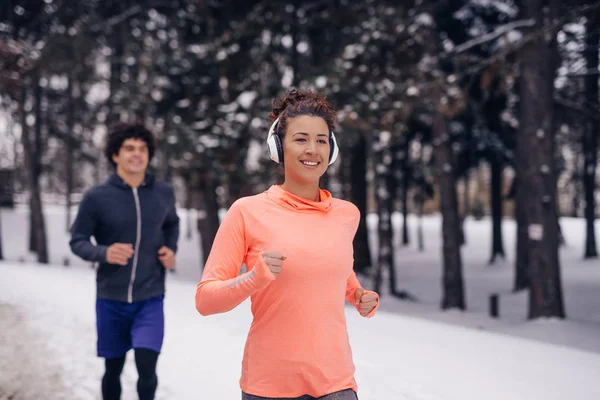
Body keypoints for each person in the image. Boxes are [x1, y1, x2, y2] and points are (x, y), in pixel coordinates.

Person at [195, 88, 379, 400]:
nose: (312, 149)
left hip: (337, 385)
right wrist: (254, 279)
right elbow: (205, 301)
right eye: (301, 139)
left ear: (331, 150)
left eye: (321, 140)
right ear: (278, 147)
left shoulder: (347, 215)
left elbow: (336, 268)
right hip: (269, 387)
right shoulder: (247, 211)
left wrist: (358, 294)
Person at [69, 122, 180, 400]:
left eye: (142, 149)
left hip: (150, 297)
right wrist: (103, 253)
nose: (137, 154)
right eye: (129, 148)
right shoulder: (96, 197)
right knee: (113, 369)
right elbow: (77, 240)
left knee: (147, 368)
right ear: (115, 155)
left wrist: (170, 248)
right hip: (111, 299)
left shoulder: (163, 192)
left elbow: (172, 224)